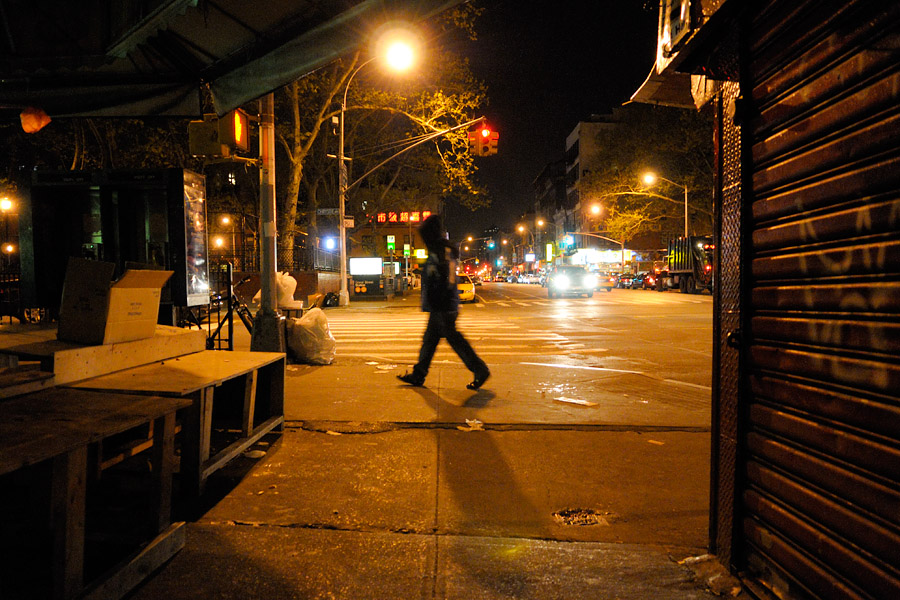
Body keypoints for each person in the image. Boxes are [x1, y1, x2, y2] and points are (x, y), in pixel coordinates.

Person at [397, 214, 490, 390]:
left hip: (443, 305)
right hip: (441, 304)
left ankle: (480, 370)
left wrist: (438, 300)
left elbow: (445, 279)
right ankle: (419, 374)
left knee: (454, 340)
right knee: (430, 340)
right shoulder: (440, 249)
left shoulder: (441, 251)